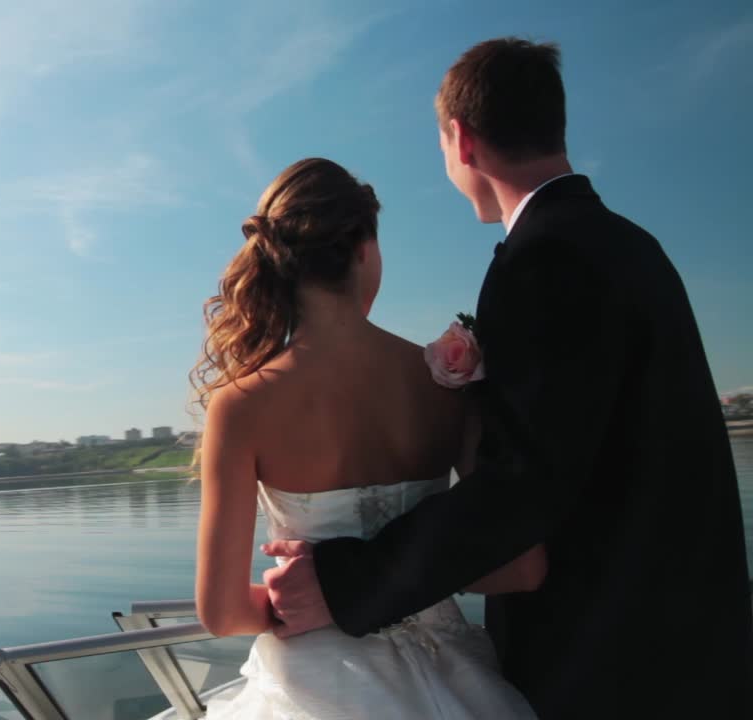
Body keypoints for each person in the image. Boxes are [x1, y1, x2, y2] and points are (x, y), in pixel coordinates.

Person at [262, 38, 753, 718]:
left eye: (440, 146)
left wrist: (346, 583)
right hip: (690, 645)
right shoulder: (633, 246)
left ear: (462, 140)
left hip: (611, 664)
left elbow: (521, 485)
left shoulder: (543, 261)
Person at [192, 157, 540, 717]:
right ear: (362, 248)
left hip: (316, 681)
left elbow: (223, 611)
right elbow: (521, 568)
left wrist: (311, 602)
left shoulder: (240, 406)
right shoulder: (449, 384)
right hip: (454, 677)